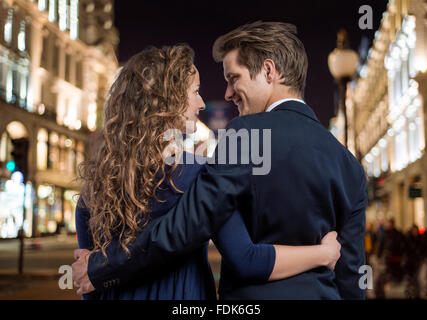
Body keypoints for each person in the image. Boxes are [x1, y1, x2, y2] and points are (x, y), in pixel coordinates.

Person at [73, 21, 367, 300]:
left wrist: (100, 268)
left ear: (268, 71)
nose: (226, 94)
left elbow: (184, 227)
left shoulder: (245, 135)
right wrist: (323, 254)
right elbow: (351, 278)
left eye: (233, 78)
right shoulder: (349, 165)